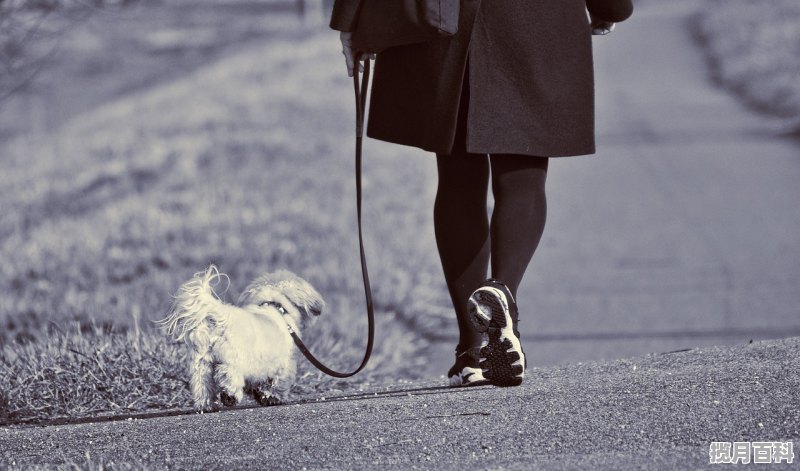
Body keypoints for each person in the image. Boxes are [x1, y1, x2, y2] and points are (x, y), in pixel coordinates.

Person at [330, 0, 633, 387]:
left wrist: (351, 19)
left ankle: (473, 351)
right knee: (522, 178)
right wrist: (610, 6)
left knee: (456, 179)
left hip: (444, 21)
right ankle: (501, 291)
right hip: (537, 19)